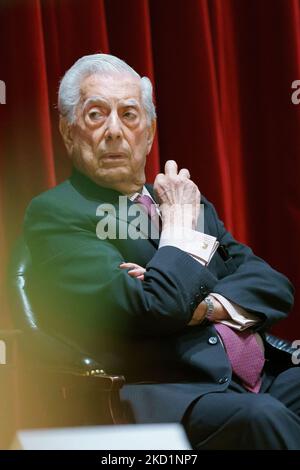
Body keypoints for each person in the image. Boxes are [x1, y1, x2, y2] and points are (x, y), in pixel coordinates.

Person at [23, 53, 300, 449]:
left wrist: (206, 307)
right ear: (69, 133)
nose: (115, 131)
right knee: (262, 419)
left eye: (130, 115)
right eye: (96, 115)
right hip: (170, 392)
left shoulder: (182, 201)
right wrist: (178, 235)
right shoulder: (58, 214)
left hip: (257, 377)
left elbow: (273, 285)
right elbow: (155, 308)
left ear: (149, 132)